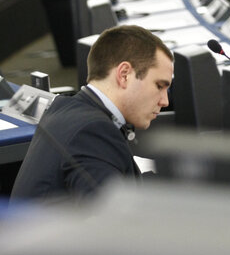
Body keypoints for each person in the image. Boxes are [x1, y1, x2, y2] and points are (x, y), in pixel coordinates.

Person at [11, 25, 173, 203]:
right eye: (159, 86)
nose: (164, 101)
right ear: (125, 74)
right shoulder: (93, 131)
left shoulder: (67, 107)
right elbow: (114, 221)